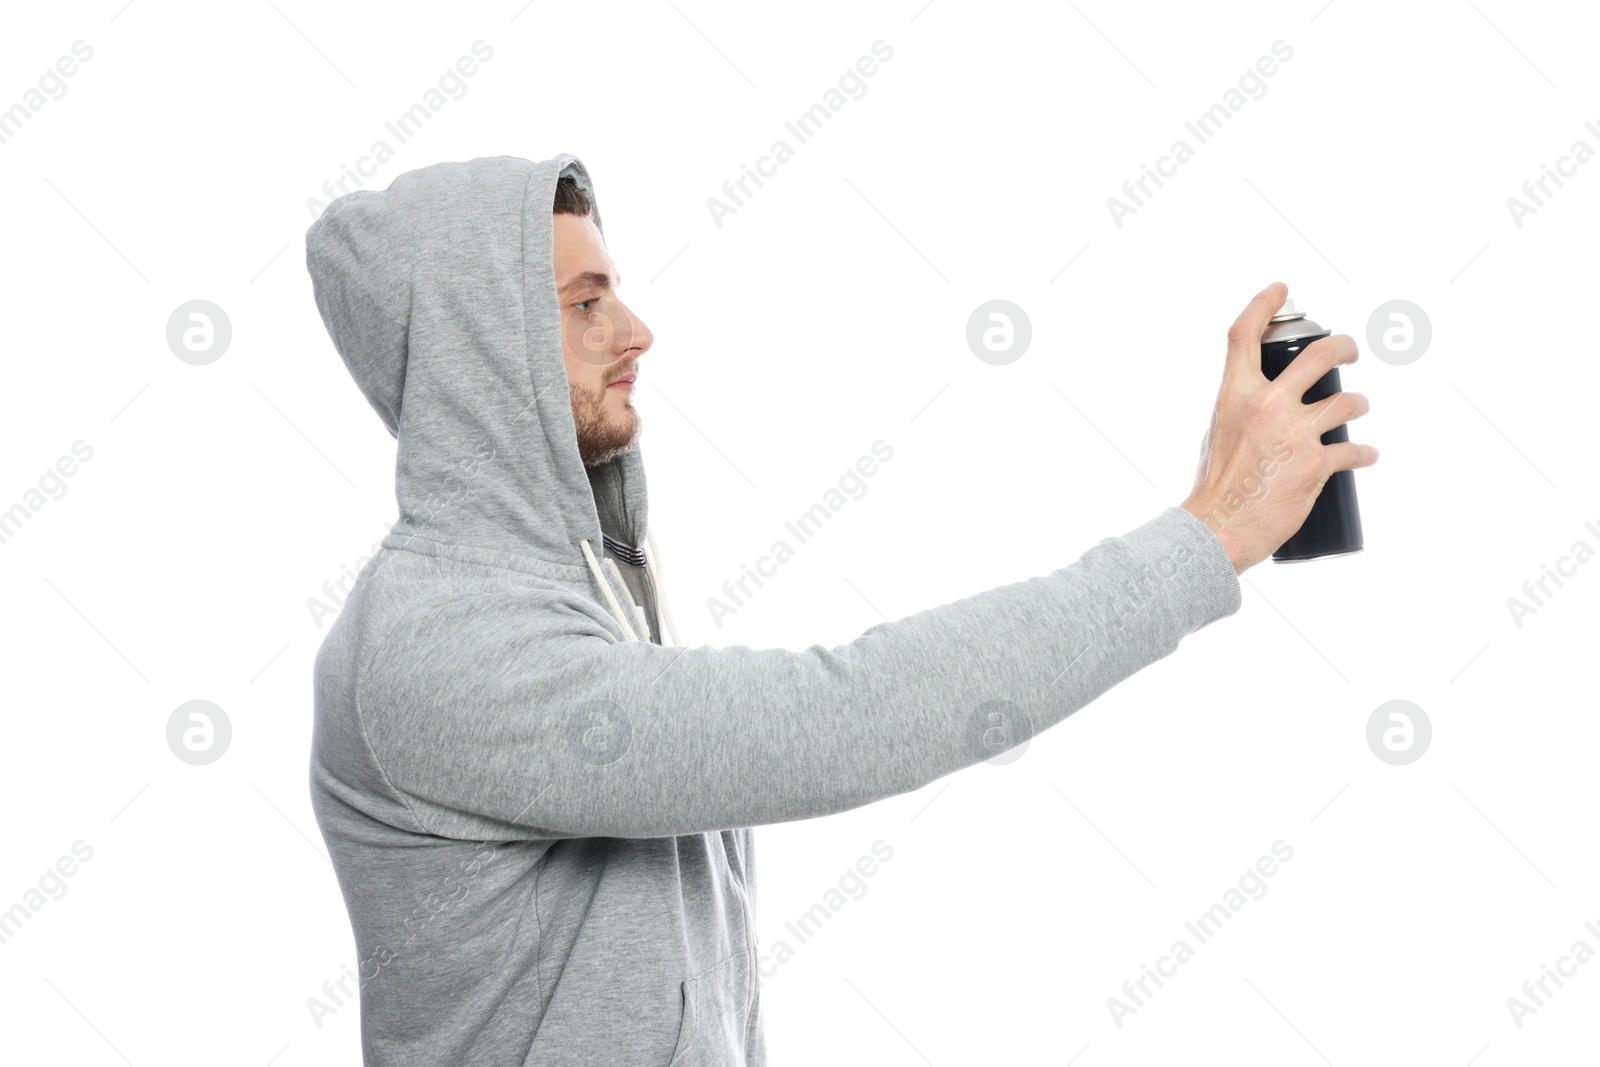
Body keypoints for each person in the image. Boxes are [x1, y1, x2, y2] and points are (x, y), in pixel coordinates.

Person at [304, 152, 1376, 1066]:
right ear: (477, 355)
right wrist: (1210, 531)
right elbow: (848, 715)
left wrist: (1211, 518)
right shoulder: (442, 642)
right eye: (585, 303)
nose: (635, 329)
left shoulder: (570, 594)